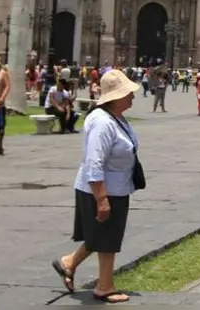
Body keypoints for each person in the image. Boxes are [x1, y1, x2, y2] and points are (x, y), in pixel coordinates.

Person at [51, 69, 142, 304]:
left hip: (117, 187)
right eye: (128, 93)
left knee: (102, 234)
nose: (132, 97)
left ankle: (68, 263)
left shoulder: (115, 118)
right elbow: (94, 162)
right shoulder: (102, 122)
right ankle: (104, 286)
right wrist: (101, 199)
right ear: (115, 96)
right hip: (101, 189)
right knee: (106, 237)